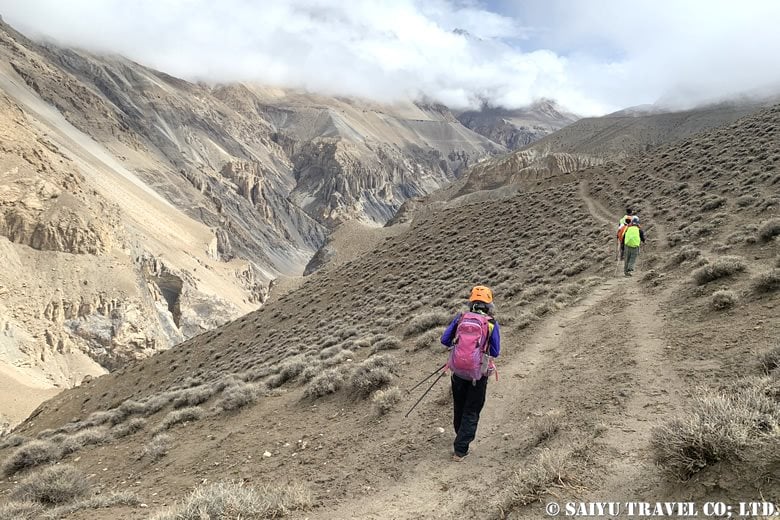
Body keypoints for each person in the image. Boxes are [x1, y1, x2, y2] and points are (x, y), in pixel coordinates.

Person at [440, 285, 501, 462]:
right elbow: (495, 352)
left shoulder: (461, 318)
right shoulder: (490, 323)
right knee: (472, 409)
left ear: (471, 302)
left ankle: (460, 436)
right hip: (477, 374)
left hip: (457, 372)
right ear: (489, 304)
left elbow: (444, 340)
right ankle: (460, 450)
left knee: (459, 406)